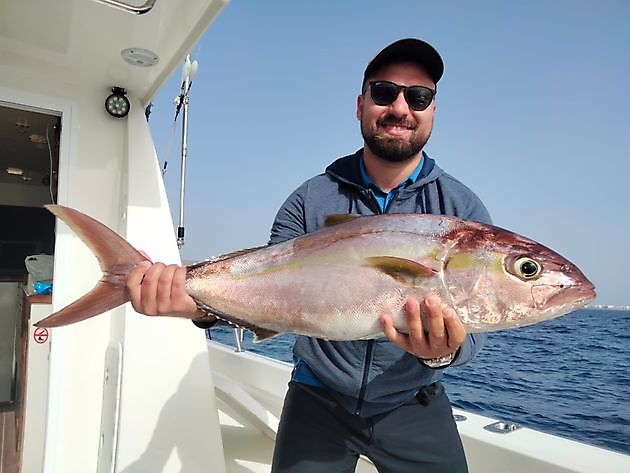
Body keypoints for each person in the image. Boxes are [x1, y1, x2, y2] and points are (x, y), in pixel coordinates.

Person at [127, 38, 491, 473]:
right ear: (360, 105)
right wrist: (195, 304)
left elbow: (471, 335)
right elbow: (267, 297)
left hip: (413, 402)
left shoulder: (461, 210)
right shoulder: (311, 198)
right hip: (317, 397)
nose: (399, 107)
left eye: (418, 96)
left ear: (433, 110)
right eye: (383, 93)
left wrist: (442, 353)